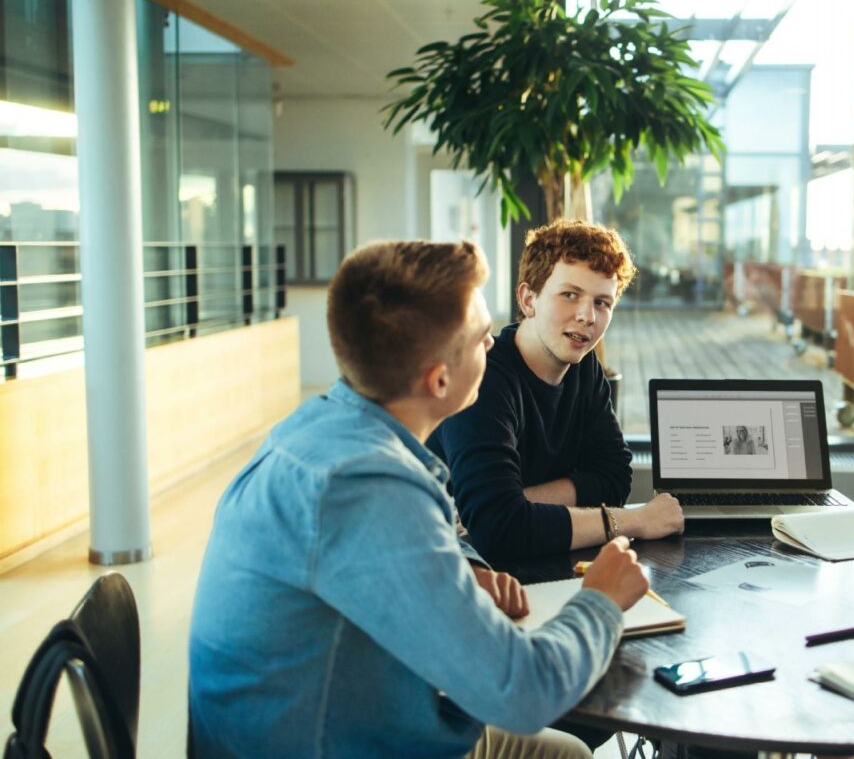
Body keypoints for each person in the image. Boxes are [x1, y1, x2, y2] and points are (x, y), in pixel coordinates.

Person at [189, 240, 651, 759]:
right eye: (481, 340)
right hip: (332, 743)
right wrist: (601, 600)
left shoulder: (323, 427)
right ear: (440, 379)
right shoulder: (369, 488)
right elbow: (525, 692)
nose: (495, 348)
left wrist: (466, 565)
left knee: (568, 753)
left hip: (331, 714)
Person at [429, 220, 683, 560]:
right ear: (528, 299)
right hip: (455, 563)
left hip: (535, 559)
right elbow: (498, 530)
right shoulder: (483, 375)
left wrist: (519, 502)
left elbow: (614, 478)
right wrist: (633, 521)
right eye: (570, 295)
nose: (587, 316)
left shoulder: (584, 367)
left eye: (602, 303)